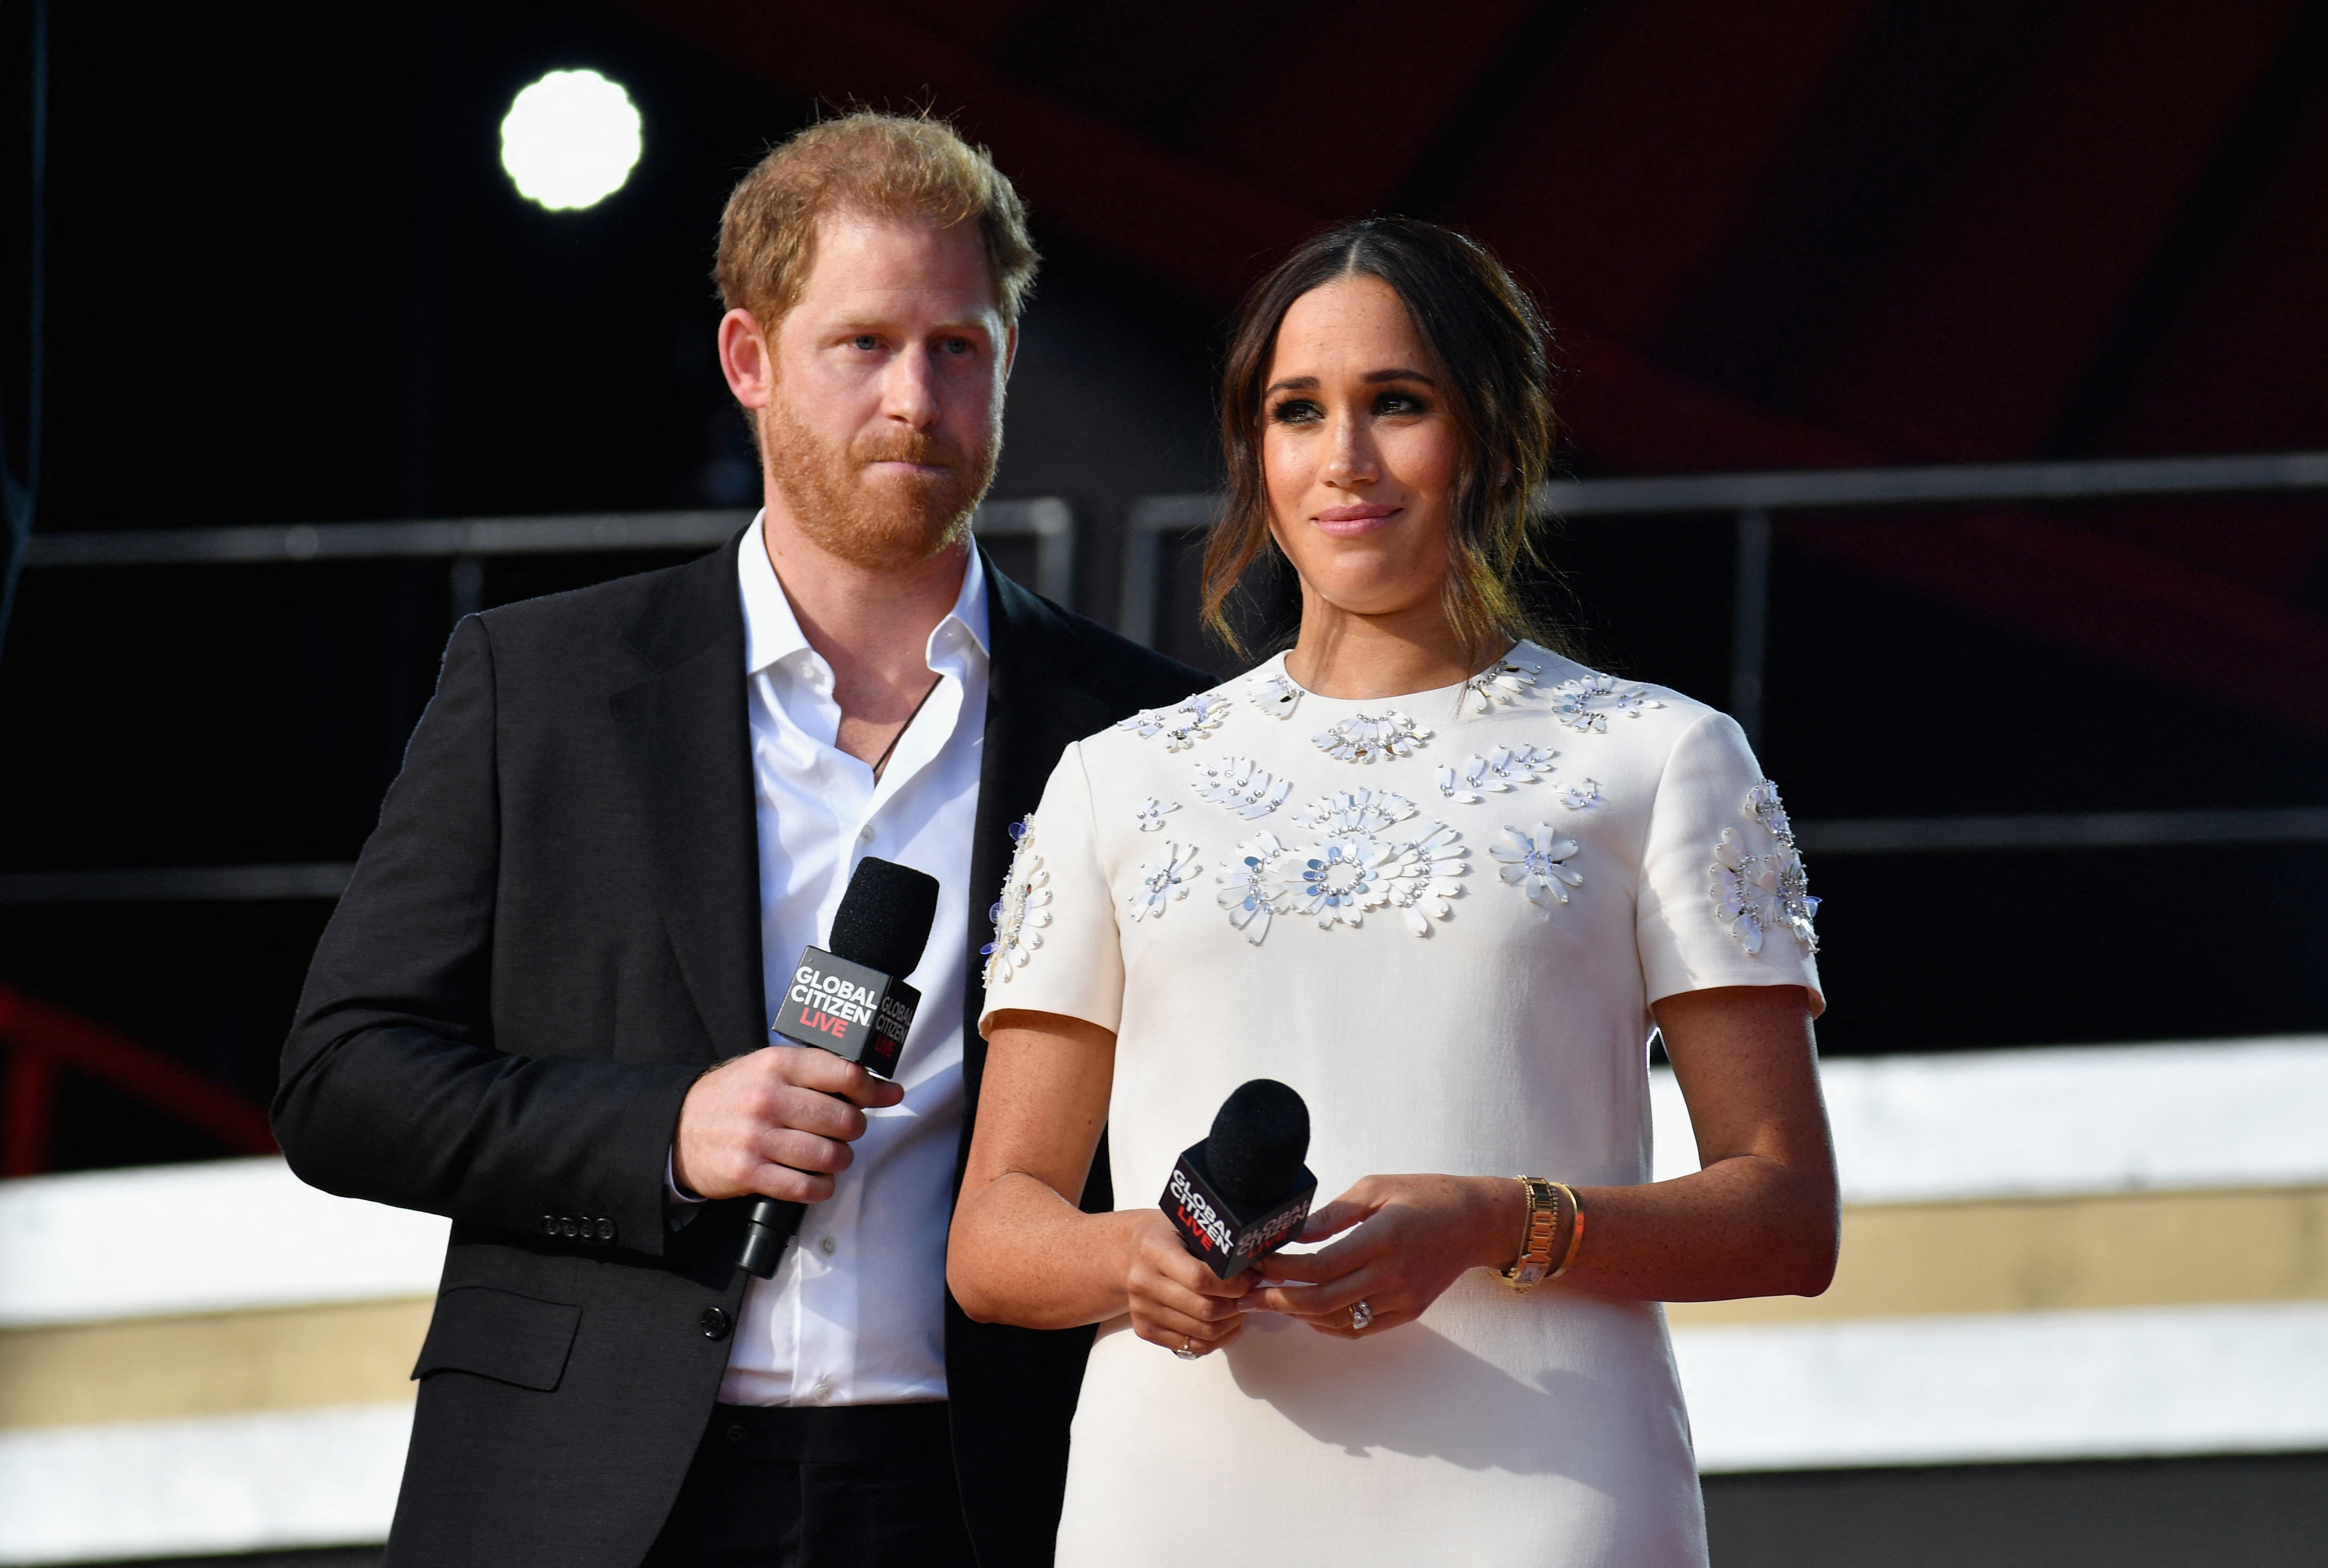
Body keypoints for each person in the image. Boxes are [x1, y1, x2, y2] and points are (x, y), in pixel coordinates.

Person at [274, 111, 1200, 1568]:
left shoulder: (1142, 730)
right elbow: (342, 1080)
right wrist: (668, 1132)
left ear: (1008, 360)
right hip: (588, 1489)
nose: (915, 397)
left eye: (958, 347)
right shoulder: (543, 684)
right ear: (749, 359)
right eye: (863, 344)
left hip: (982, 1490)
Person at [947, 216, 1839, 1565]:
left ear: (1490, 439)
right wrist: (1136, 1260)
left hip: (1546, 1494)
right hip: (1182, 1500)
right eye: (1298, 411)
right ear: (1255, 451)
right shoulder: (1118, 781)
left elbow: (1784, 1215)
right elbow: (995, 1235)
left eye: (1399, 403)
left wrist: (1496, 1222)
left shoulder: (1659, 758)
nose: (1346, 459)